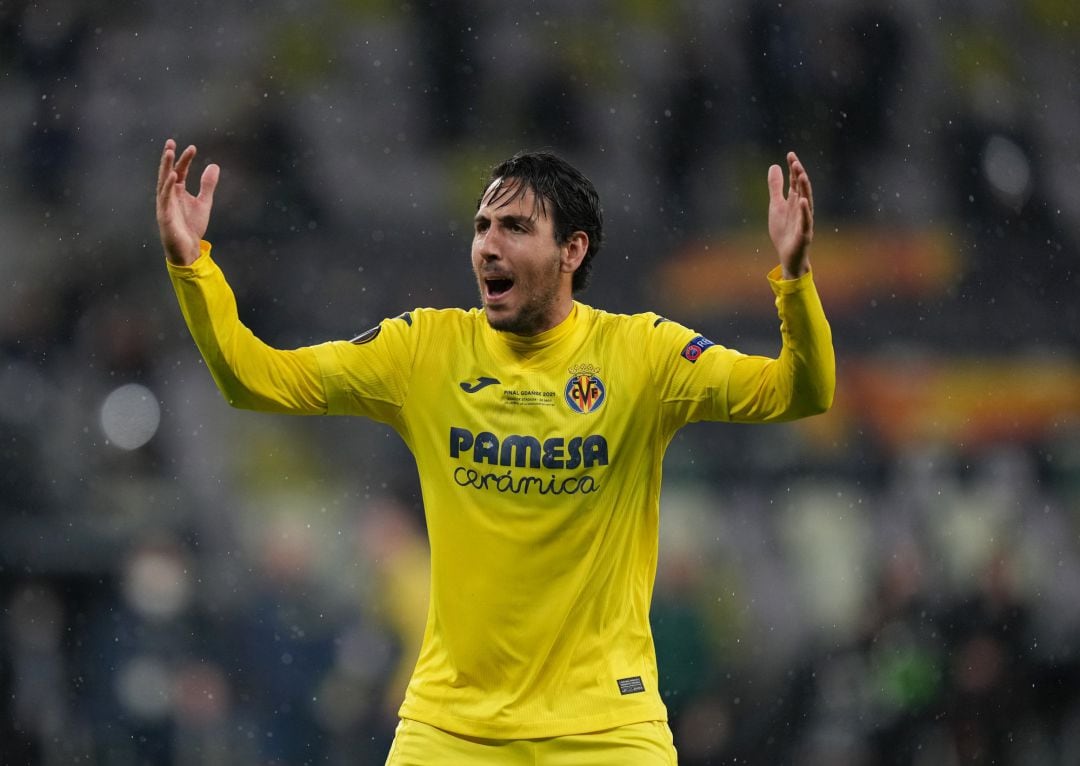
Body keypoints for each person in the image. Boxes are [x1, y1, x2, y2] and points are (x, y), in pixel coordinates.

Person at [156, 138, 834, 764]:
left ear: (571, 250)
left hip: (605, 731)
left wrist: (795, 281)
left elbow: (796, 393)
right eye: (482, 227)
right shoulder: (424, 349)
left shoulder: (642, 355)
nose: (487, 245)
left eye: (514, 228)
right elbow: (256, 379)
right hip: (451, 729)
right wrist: (194, 267)